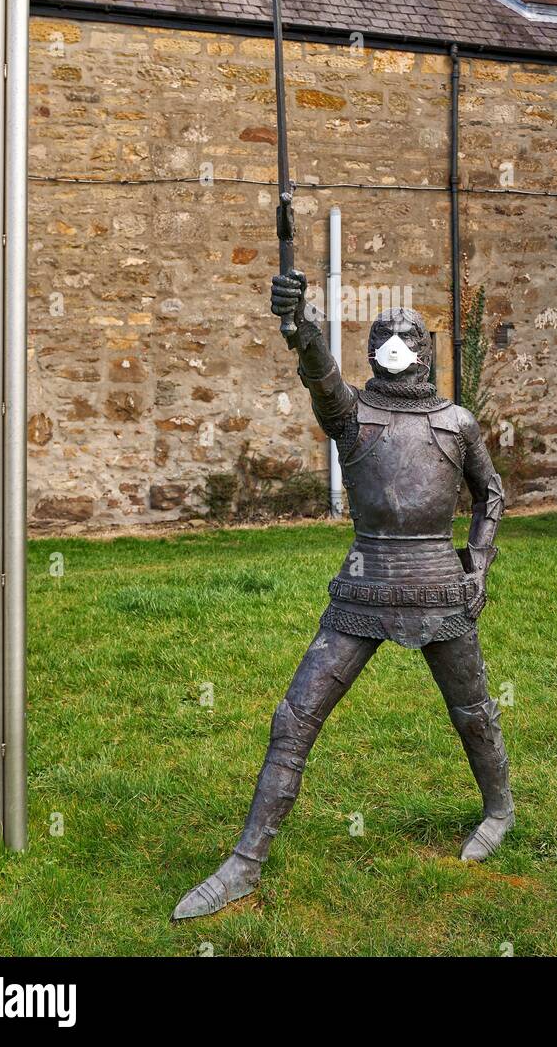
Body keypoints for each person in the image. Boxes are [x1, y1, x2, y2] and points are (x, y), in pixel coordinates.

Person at [172, 271, 513, 921]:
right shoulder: (354, 418)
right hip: (365, 582)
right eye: (381, 334)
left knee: (472, 711)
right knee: (294, 718)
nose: (393, 342)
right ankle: (245, 862)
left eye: (404, 335)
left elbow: (491, 494)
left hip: (440, 584)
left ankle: (499, 808)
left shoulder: (457, 422)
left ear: (425, 348)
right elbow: (321, 376)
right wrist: (299, 327)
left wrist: (480, 566)